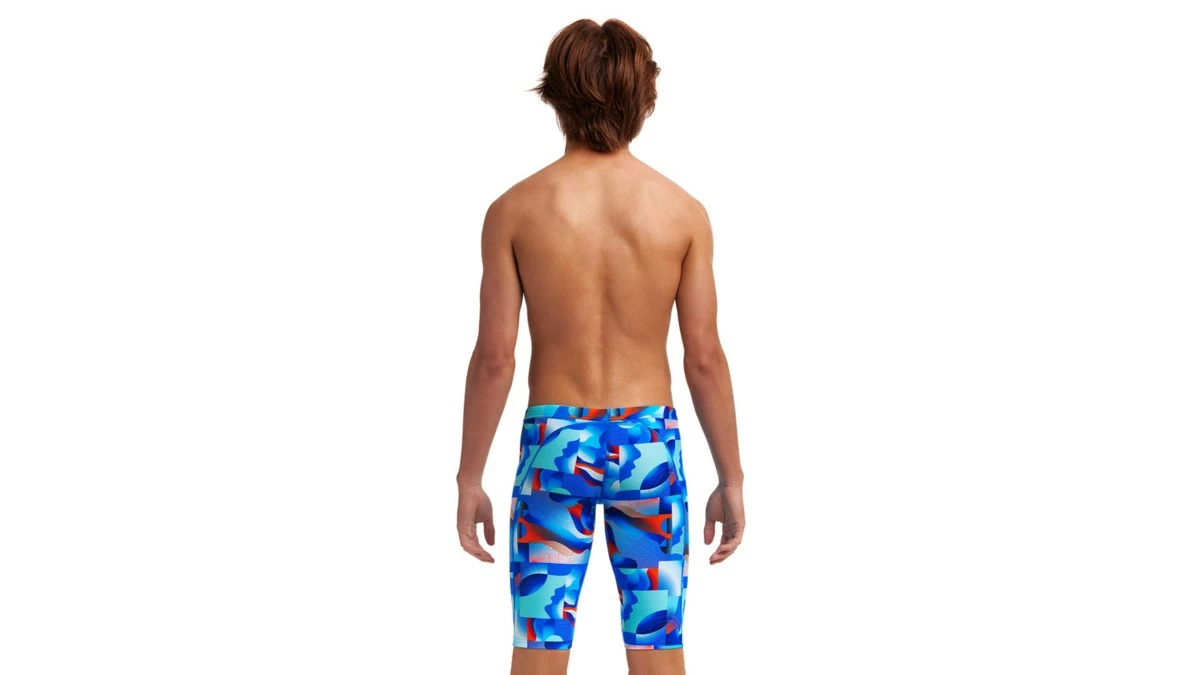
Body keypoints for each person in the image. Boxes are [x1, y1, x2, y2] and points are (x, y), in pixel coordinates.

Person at [454, 18, 745, 675]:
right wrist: (731, 477)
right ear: (645, 97)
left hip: (555, 443)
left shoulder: (514, 210)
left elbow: (495, 358)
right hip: (650, 446)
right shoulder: (682, 212)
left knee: (539, 647)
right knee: (658, 648)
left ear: (555, 94)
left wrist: (469, 477)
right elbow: (703, 357)